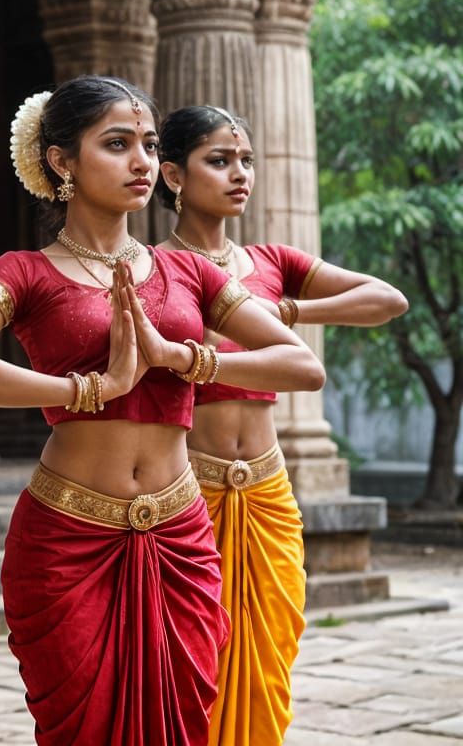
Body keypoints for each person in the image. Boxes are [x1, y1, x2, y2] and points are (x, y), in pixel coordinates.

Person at [0, 76, 327, 746]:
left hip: (181, 534)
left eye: (149, 145)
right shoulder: (24, 272)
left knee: (183, 723)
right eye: (117, 144)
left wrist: (185, 359)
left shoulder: (191, 274)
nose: (142, 161)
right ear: (62, 161)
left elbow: (304, 366)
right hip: (67, 538)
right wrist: (85, 389)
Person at [153, 104, 408, 746]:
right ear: (173, 175)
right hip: (188, 487)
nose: (240, 174)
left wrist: (284, 308)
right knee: (190, 650)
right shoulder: (154, 267)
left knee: (269, 645)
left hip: (267, 488)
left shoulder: (271, 261)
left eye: (246, 161)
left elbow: (387, 299)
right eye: (219, 160)